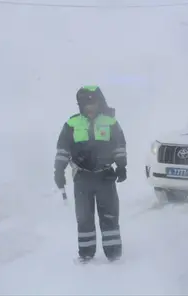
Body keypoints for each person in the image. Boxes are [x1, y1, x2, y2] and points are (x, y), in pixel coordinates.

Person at [53, 85, 127, 263]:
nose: (90, 108)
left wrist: (122, 166)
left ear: (99, 103)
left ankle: (114, 255)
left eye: (93, 103)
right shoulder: (71, 124)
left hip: (105, 176)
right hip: (82, 178)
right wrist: (59, 171)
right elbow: (63, 150)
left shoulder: (110, 123)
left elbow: (119, 146)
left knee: (109, 217)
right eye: (86, 104)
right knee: (84, 218)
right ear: (80, 105)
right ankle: (86, 254)